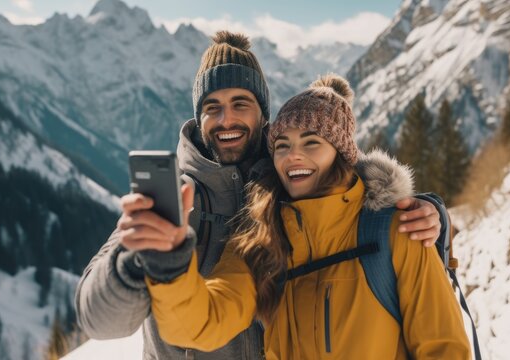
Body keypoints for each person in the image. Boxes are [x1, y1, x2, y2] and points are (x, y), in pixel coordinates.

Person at [75, 32, 448, 359]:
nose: (226, 120)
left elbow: (348, 183)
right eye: (212, 107)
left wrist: (426, 212)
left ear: (262, 114)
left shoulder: (297, 200)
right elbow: (101, 321)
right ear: (198, 118)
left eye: (241, 103)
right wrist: (141, 258)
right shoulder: (186, 205)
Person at [143, 74, 472, 359]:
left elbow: (443, 348)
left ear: (341, 153)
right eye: (282, 145)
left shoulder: (397, 231)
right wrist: (169, 263)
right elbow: (202, 325)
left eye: (312, 142)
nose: (293, 156)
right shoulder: (261, 237)